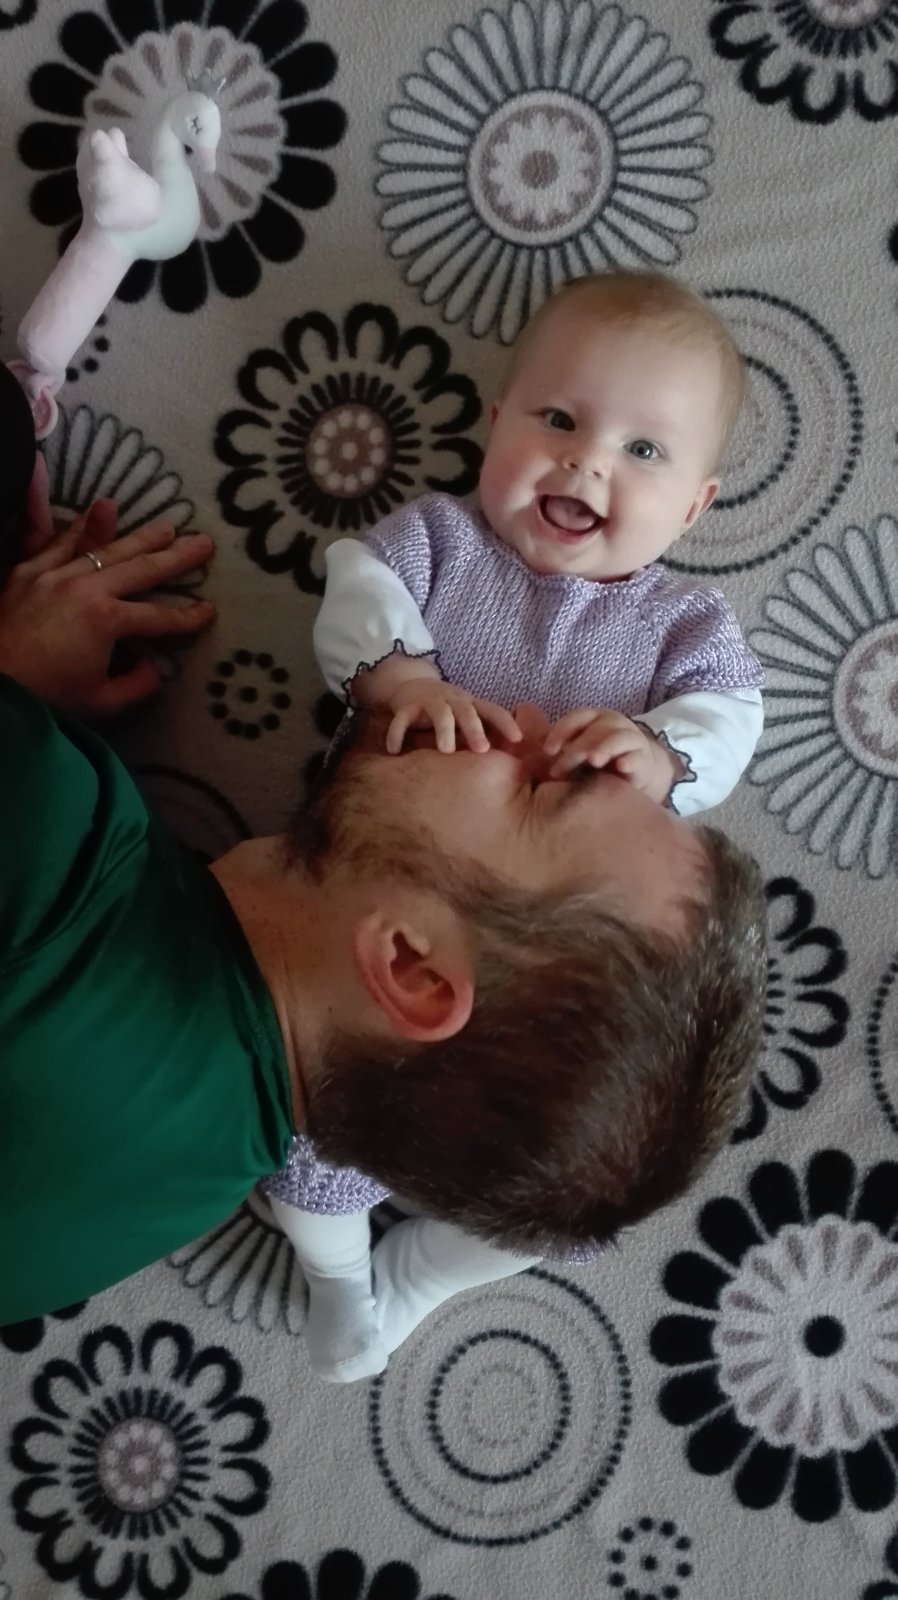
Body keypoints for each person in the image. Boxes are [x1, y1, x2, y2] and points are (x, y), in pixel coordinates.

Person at [0, 397, 766, 1328]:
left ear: (409, 966)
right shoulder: (169, 1198)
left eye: (542, 788)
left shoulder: (51, 852)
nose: (528, 721)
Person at [263, 270, 767, 1381]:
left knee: (569, 1187)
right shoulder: (437, 542)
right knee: (310, 1152)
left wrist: (662, 753)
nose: (586, 463)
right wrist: (401, 678)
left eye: (643, 450)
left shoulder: (682, 622)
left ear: (693, 508)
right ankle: (340, 1276)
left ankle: (427, 1272)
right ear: (495, 425)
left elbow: (733, 716)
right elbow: (356, 591)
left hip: (554, 980)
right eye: (558, 419)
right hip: (375, 941)